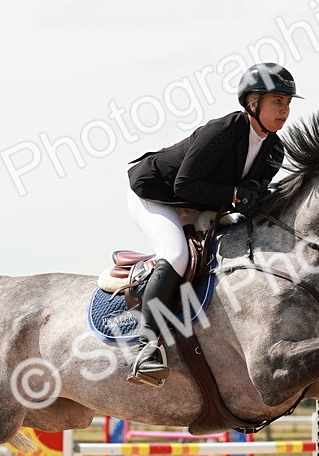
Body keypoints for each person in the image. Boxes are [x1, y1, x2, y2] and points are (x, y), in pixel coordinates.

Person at [124, 62, 300, 386]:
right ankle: (146, 347)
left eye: (288, 103)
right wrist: (235, 193)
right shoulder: (222, 131)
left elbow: (251, 199)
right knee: (176, 255)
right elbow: (183, 185)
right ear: (252, 103)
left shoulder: (275, 150)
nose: (284, 110)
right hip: (157, 195)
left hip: (201, 207)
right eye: (277, 101)